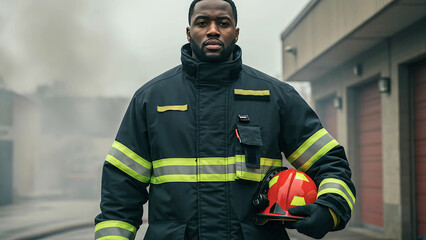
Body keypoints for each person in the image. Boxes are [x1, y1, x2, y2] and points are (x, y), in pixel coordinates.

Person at [94, 0, 356, 239]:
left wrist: (329, 208)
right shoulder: (151, 100)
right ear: (189, 32)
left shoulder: (275, 97)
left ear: (236, 33)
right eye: (202, 22)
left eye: (223, 23)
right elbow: (121, 189)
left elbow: (329, 163)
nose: (212, 30)